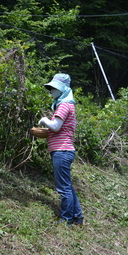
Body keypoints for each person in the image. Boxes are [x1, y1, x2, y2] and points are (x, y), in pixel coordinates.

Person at [38, 73, 84, 226]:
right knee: (67, 186)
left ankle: (66, 220)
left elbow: (56, 127)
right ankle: (77, 217)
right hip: (64, 150)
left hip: (62, 151)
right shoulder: (67, 104)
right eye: (50, 88)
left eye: (54, 87)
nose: (50, 90)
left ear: (63, 89)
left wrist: (45, 120)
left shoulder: (64, 105)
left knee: (63, 188)